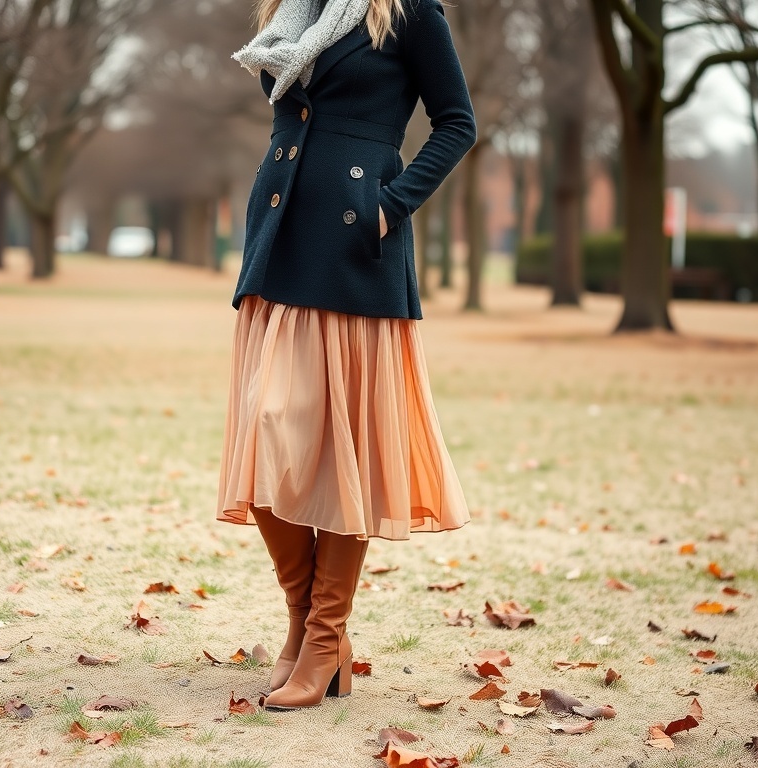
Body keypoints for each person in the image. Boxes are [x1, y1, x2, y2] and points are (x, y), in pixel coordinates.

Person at [218, 0, 476, 711]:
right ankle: (306, 625)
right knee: (267, 432)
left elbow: (458, 122)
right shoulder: (284, 12)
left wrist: (393, 203)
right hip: (280, 237)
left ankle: (325, 636)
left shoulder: (409, 11)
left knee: (341, 451)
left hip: (354, 248)